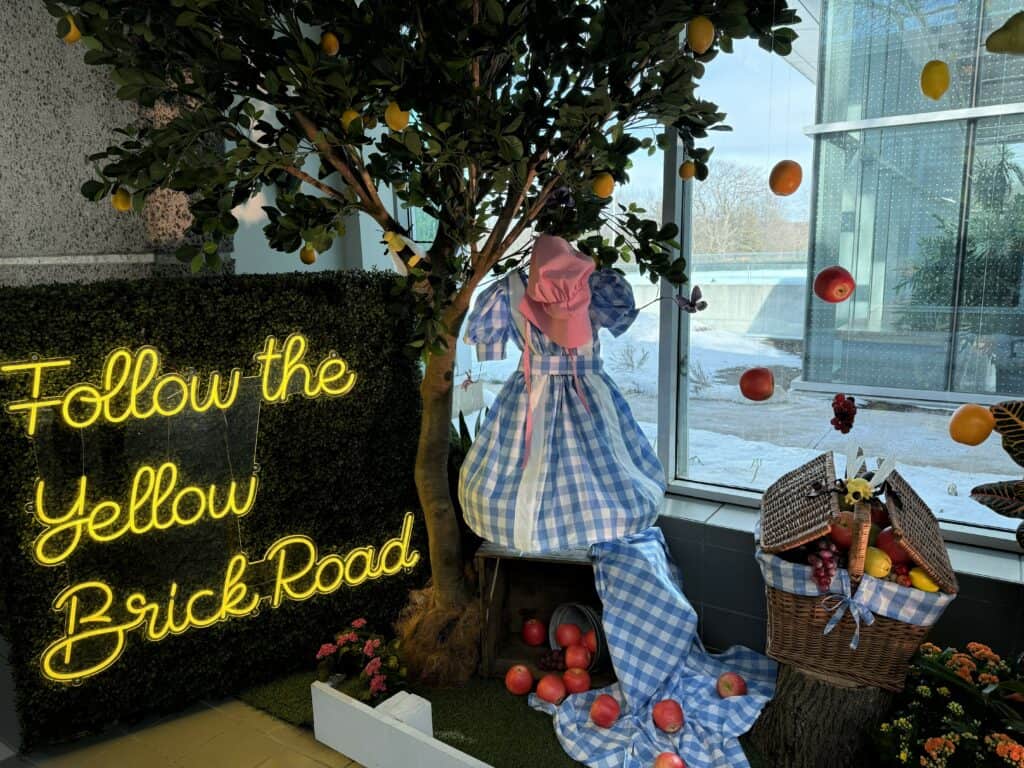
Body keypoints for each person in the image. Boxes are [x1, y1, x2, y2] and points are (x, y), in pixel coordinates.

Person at [458, 234, 664, 553]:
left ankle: (553, 529)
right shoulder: (517, 292)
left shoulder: (510, 294)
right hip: (580, 389)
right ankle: (566, 529)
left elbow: (489, 347)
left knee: (563, 460)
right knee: (600, 458)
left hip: (537, 393)